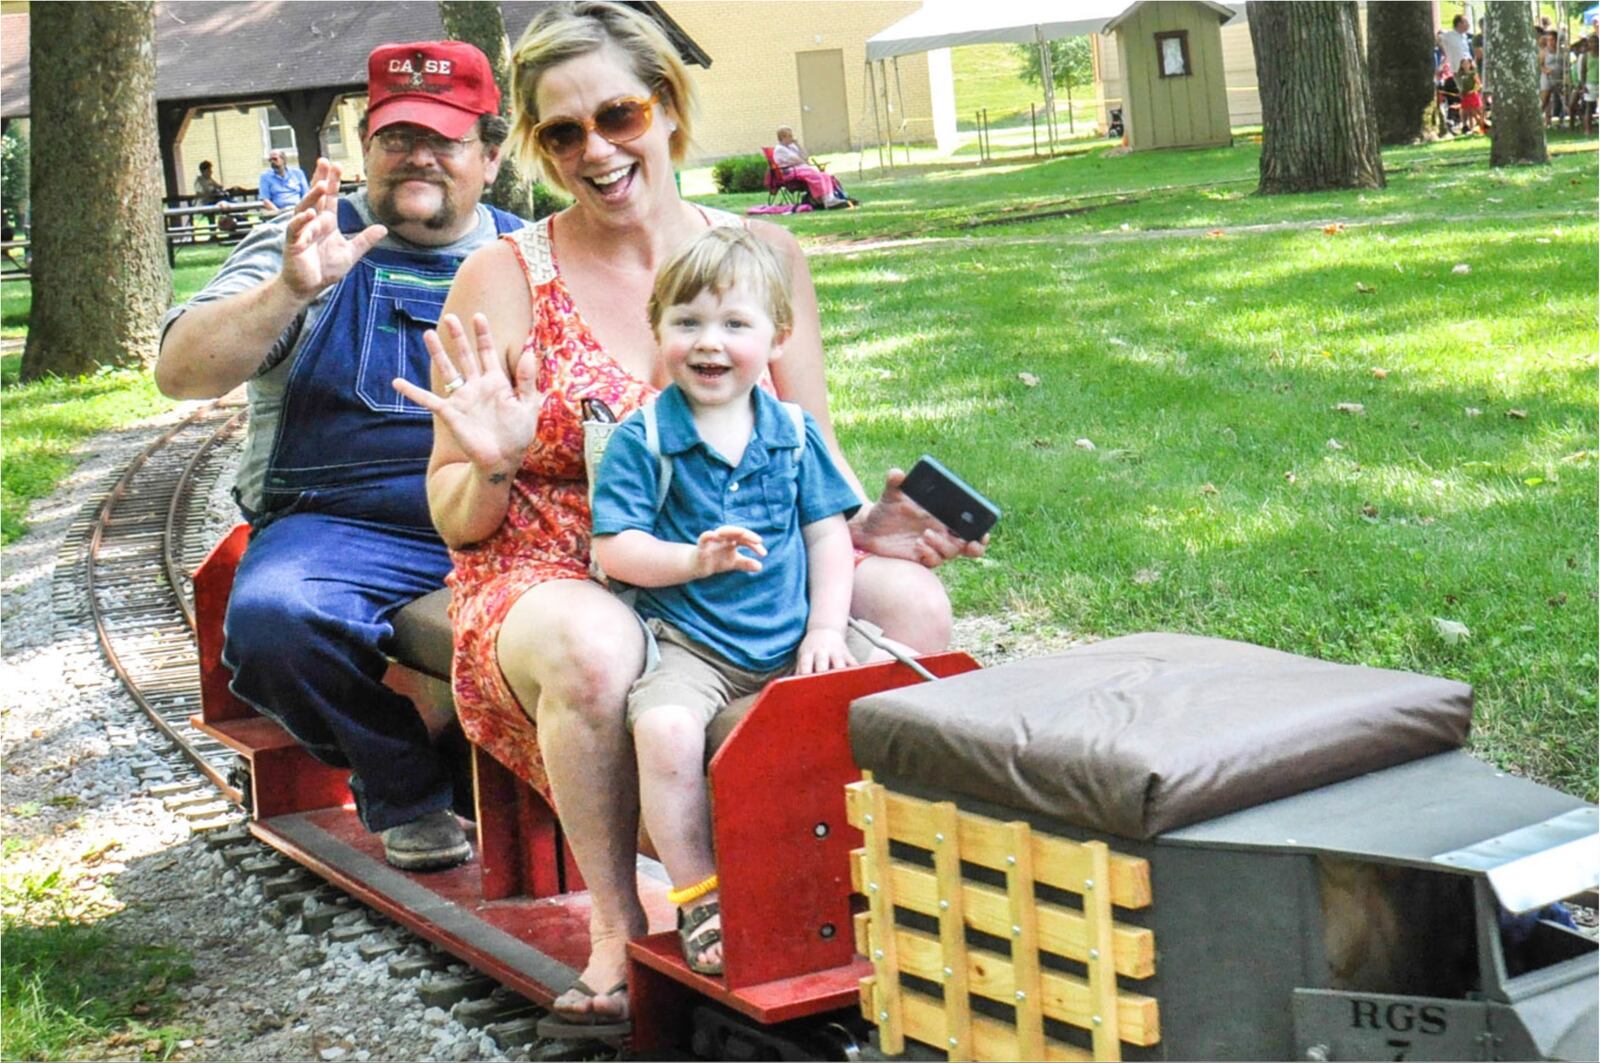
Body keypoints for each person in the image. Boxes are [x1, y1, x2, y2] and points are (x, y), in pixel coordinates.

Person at [392, 0, 980, 1037]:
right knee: (593, 642)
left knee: (913, 602)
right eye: (562, 132)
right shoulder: (502, 277)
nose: (596, 150)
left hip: (738, 560)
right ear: (534, 144)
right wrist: (488, 464)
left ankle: (875, 886)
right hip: (553, 567)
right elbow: (456, 517)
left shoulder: (761, 259)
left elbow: (806, 446)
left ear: (666, 106)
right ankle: (622, 926)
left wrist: (866, 522)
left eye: (616, 114)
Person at [154, 41, 525, 872]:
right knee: (271, 623)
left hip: (509, 514)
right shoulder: (305, 242)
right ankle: (408, 780)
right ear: (368, 144)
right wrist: (292, 286)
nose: (418, 156)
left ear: (491, 156)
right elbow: (179, 374)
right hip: (347, 528)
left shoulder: (534, 255)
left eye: (446, 138)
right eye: (398, 137)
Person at [583, 226, 896, 980]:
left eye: (734, 324)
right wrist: (693, 559)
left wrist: (825, 626)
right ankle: (699, 895)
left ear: (776, 336)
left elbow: (827, 537)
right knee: (661, 729)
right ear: (656, 331)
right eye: (686, 322)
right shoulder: (645, 437)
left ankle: (886, 866)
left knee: (892, 688)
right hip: (692, 643)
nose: (708, 343)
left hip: (793, 630)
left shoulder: (791, 431)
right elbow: (613, 548)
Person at [771, 125, 852, 209]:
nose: (792, 138)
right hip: (790, 172)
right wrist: (803, 160)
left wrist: (798, 145)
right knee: (816, 176)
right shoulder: (780, 149)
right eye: (790, 136)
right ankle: (825, 200)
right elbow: (799, 160)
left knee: (825, 175)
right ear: (783, 137)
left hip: (801, 168)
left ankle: (830, 198)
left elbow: (805, 157)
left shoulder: (792, 146)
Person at [258, 149, 311, 214]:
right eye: (270, 160)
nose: (272, 162)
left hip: (298, 210)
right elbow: (265, 200)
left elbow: (306, 194)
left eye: (275, 159)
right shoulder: (265, 177)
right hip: (279, 211)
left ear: (283, 160)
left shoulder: (298, 173)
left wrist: (302, 209)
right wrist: (278, 212)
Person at [1458, 57, 1487, 135]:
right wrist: (1461, 92)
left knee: (1475, 112)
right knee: (1466, 112)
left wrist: (1473, 90)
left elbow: (1479, 84)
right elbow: (1462, 86)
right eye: (1463, 64)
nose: (1465, 65)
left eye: (1467, 63)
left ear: (1470, 64)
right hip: (1465, 96)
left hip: (1473, 96)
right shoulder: (1461, 75)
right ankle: (1469, 128)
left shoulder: (1473, 73)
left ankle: (1483, 128)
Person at [1541, 32, 1562, 125]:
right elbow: (1540, 65)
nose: (1550, 42)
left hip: (1559, 76)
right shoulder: (1544, 51)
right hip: (1547, 77)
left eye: (1552, 39)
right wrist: (1546, 70)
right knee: (1545, 99)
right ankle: (1544, 119)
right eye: (1548, 40)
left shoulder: (1561, 51)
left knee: (1561, 97)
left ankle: (1561, 119)